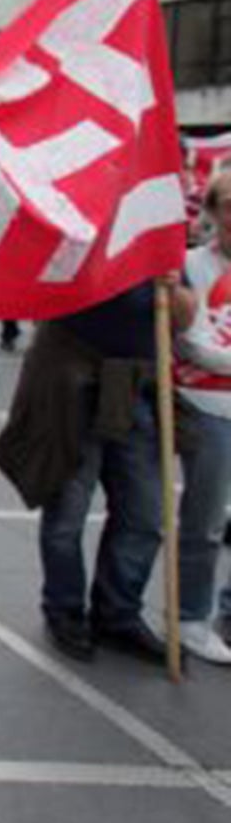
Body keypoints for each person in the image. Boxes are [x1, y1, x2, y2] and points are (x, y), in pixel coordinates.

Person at [0, 279, 189, 662]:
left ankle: (119, 612)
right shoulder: (80, 227)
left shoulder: (157, 236)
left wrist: (172, 288)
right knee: (68, 512)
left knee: (144, 515)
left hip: (137, 385)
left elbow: (182, 318)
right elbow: (39, 295)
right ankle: (64, 608)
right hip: (72, 383)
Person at [173, 167, 231, 664]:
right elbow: (191, 343)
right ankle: (191, 616)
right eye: (228, 206)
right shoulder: (191, 266)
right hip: (205, 404)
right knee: (206, 518)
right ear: (213, 212)